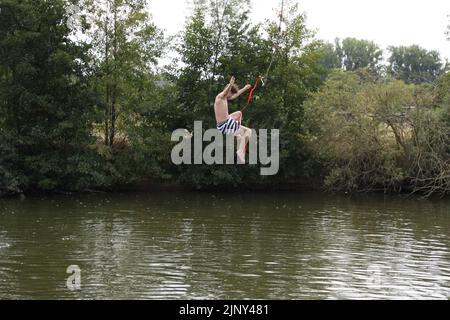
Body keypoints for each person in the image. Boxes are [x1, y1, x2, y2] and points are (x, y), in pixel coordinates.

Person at [215, 76, 253, 163]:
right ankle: (240, 150)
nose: (231, 96)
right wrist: (230, 84)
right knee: (248, 131)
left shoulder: (225, 98)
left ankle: (236, 134)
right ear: (227, 91)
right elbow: (225, 92)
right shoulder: (220, 97)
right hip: (225, 125)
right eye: (230, 94)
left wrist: (244, 88)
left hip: (224, 124)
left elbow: (235, 94)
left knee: (239, 113)